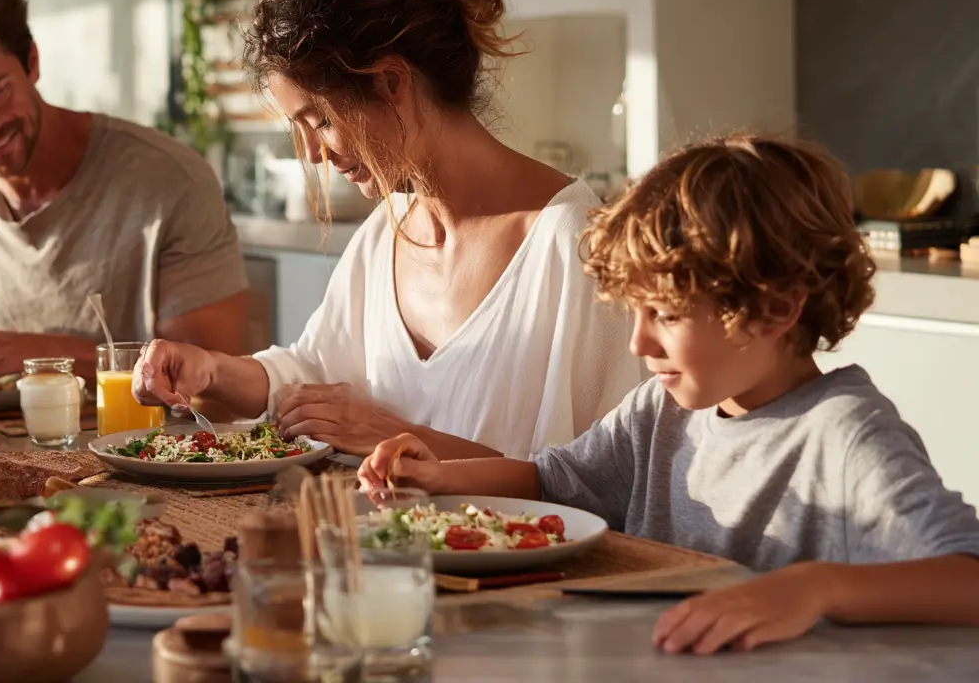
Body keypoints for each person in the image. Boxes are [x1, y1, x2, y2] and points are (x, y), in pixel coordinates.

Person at [359, 132, 979, 654]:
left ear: (776, 308)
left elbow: (967, 578)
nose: (638, 343)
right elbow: (552, 481)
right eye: (635, 312)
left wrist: (815, 587)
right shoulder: (662, 410)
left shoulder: (844, 435)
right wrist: (443, 478)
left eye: (668, 315)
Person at [133, 0, 641, 459]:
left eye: (322, 121)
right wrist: (211, 370)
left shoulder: (577, 245)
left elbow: (612, 480)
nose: (313, 155)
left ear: (392, 81)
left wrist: (392, 436)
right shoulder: (388, 232)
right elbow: (312, 375)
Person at [0, 0, 249, 386]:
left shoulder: (171, 181)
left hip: (142, 446)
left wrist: (46, 354)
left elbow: (214, 376)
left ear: (32, 62)